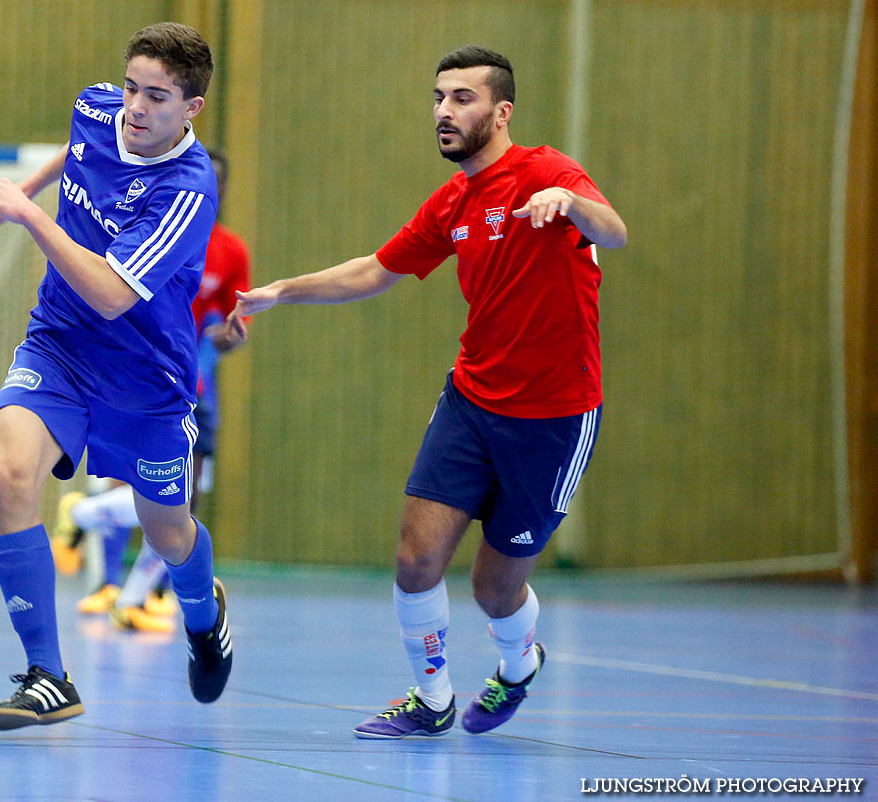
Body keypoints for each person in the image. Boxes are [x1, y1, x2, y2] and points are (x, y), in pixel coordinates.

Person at [231, 46, 626, 739]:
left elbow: (614, 232)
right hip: (471, 402)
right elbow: (374, 271)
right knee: (416, 560)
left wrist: (572, 202)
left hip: (555, 418)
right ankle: (432, 699)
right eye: (439, 97)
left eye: (462, 99)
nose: (444, 111)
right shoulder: (453, 201)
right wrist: (281, 292)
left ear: (501, 112)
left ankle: (518, 665)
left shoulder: (547, 171)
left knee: (493, 589)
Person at [0, 22, 233, 729]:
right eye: (131, 87)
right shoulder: (97, 108)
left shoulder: (186, 189)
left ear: (191, 108)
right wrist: (30, 183)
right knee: (7, 476)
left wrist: (31, 215)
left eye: (157, 96)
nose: (135, 107)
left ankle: (203, 613)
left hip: (145, 380)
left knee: (167, 531)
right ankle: (48, 676)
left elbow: (113, 294)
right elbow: (80, 150)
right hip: (58, 347)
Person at [51, 148, 251, 635]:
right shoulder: (151, 228)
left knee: (182, 499)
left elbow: (231, 319)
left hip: (197, 384)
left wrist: (230, 334)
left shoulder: (229, 251)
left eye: (220, 184)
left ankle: (134, 591)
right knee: (132, 482)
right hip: (140, 381)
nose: (213, 190)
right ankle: (109, 575)